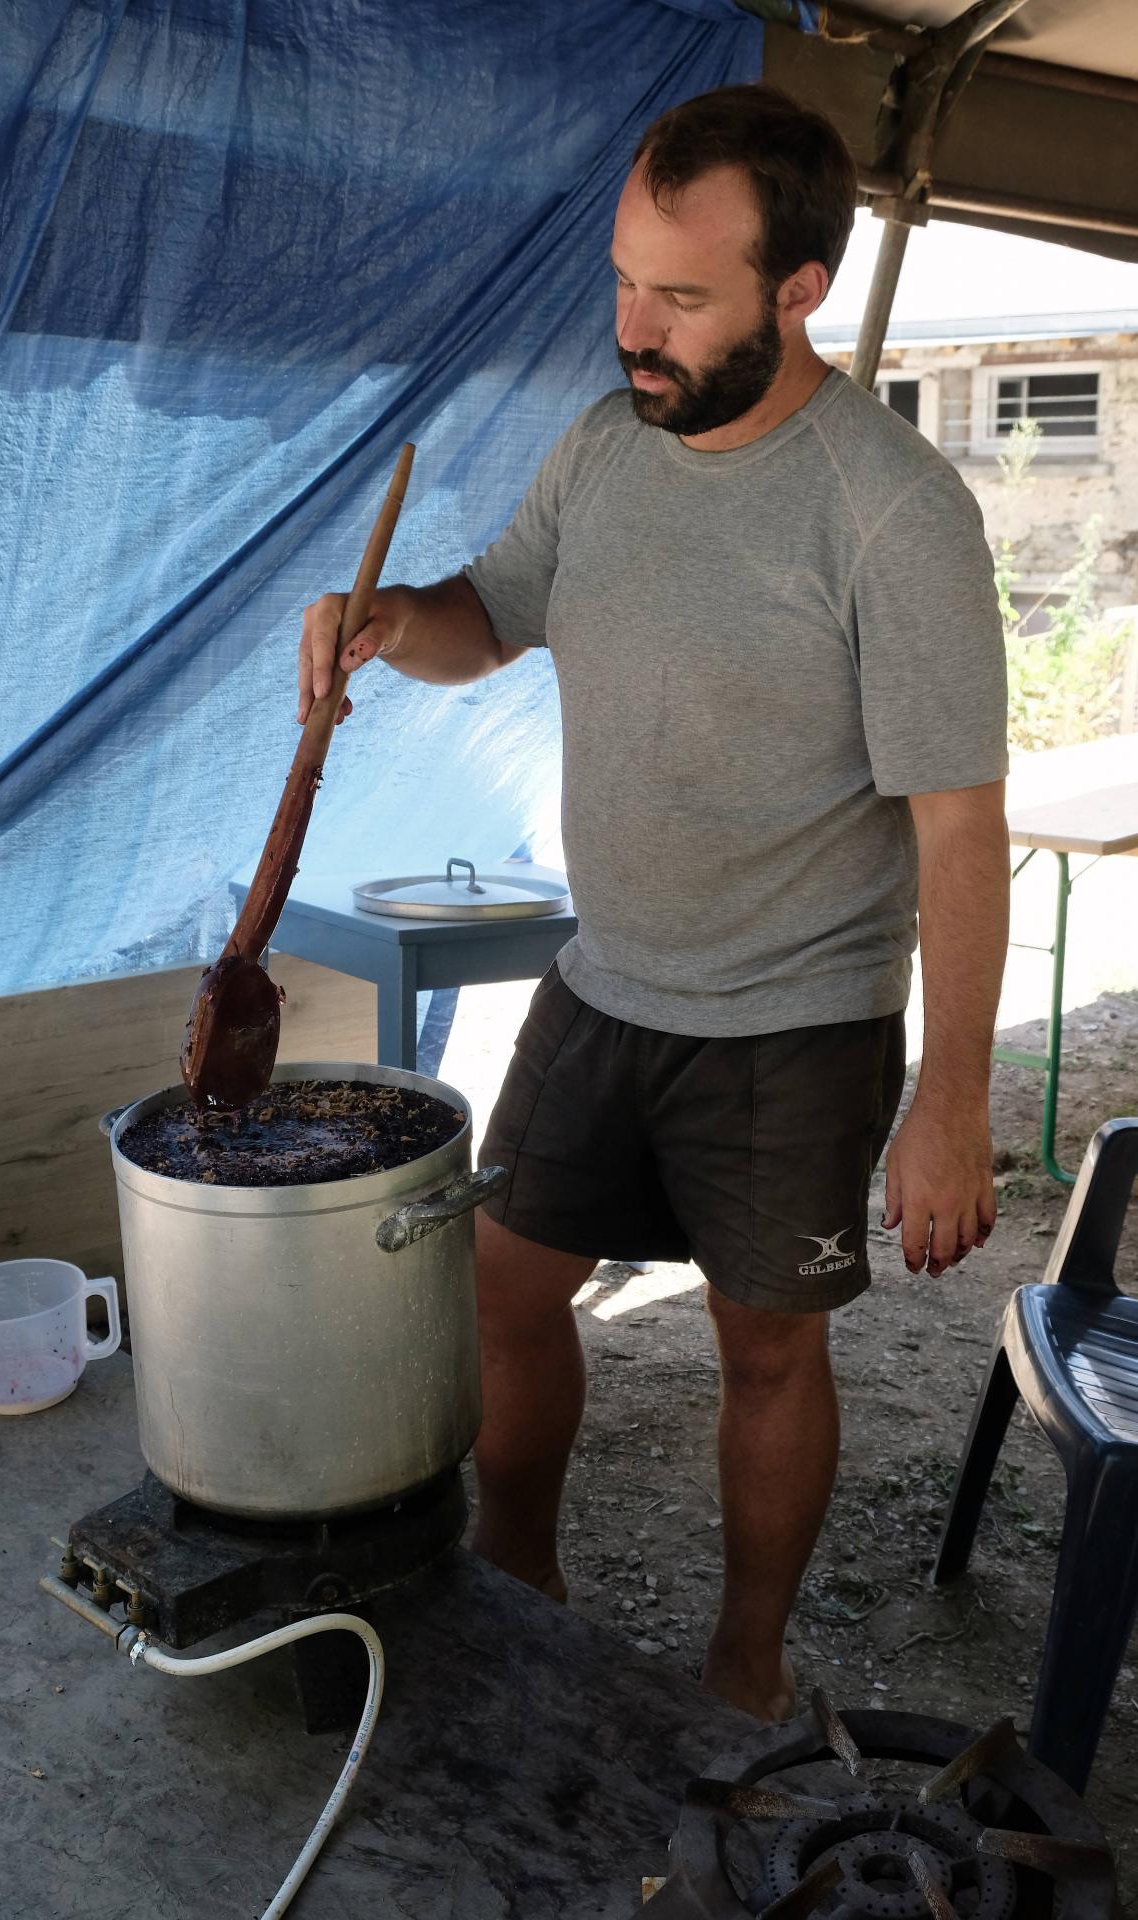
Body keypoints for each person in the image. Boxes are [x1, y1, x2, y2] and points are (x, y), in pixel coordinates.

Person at [298, 83, 1010, 1723]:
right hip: (605, 978)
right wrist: (392, 619)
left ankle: (745, 1664)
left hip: (797, 1018)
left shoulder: (891, 512)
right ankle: (520, 1574)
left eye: (682, 297)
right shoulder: (605, 450)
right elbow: (496, 609)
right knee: (501, 1285)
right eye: (625, 279)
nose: (636, 329)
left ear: (800, 291)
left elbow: (960, 829)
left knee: (765, 1351)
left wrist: (951, 1100)